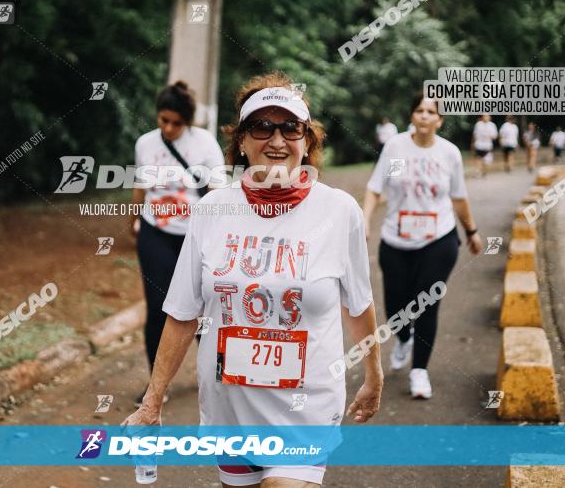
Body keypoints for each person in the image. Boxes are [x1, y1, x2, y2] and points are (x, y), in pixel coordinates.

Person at [124, 72, 383, 487]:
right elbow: (182, 313)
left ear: (308, 141)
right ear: (241, 142)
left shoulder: (339, 211)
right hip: (232, 411)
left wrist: (374, 373)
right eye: (262, 127)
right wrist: (152, 402)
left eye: (290, 128)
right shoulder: (211, 210)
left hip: (306, 409)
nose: (277, 140)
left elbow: (359, 301)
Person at [363, 94, 482, 399]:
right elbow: (376, 188)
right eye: (420, 110)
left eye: (432, 112)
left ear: (439, 120)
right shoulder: (396, 148)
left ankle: (420, 371)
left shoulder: (449, 153)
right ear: (412, 116)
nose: (425, 115)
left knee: (427, 303)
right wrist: (364, 222)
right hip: (395, 239)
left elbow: (458, 196)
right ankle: (404, 338)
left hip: (439, 239)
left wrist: (471, 231)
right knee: (396, 308)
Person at [130, 80, 225, 405]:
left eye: (176, 123)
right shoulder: (145, 143)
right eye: (163, 120)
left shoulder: (204, 145)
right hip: (155, 233)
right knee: (158, 309)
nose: (168, 128)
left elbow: (216, 191)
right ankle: (158, 384)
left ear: (188, 122)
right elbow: (140, 186)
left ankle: (216, 378)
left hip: (195, 238)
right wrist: (133, 218)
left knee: (202, 308)